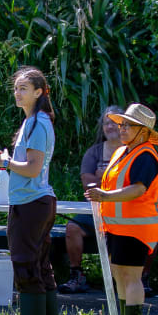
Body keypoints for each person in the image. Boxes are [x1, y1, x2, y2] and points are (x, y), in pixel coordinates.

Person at [0, 66, 59, 315]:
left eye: (23, 88)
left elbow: (32, 169)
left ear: (39, 92)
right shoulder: (32, 122)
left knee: (26, 265)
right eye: (16, 88)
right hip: (34, 202)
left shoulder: (37, 123)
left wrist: (6, 163)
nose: (17, 93)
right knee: (40, 266)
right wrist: (8, 160)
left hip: (32, 203)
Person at [85, 104, 158, 315]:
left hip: (136, 228)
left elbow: (138, 189)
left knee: (131, 276)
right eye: (122, 124)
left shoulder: (146, 155)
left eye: (128, 125)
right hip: (115, 226)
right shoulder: (122, 151)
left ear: (144, 132)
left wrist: (106, 196)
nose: (122, 129)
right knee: (118, 273)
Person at [59, 105, 123, 294]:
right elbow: (88, 184)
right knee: (72, 228)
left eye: (114, 123)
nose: (110, 127)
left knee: (152, 226)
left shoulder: (132, 151)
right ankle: (77, 275)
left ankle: (141, 279)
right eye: (106, 123)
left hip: (125, 211)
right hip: (96, 210)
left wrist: (103, 176)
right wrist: (113, 180)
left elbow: (135, 183)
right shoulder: (94, 153)